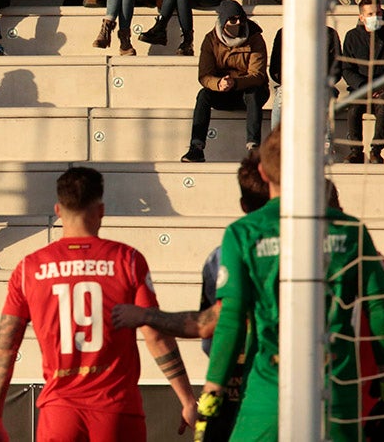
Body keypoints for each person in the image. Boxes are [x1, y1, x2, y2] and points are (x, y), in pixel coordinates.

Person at [196, 125, 384, 442]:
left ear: (262, 170)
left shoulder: (243, 233)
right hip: (335, 395)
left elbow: (230, 320)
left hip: (268, 394)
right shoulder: (351, 230)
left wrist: (212, 392)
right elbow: (380, 311)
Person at [0, 167, 198, 442]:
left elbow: (5, 348)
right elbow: (154, 332)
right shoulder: (128, 260)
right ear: (102, 210)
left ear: (58, 210)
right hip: (117, 410)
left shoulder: (29, 269)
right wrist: (187, 399)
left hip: (59, 413)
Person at [110, 151, 270, 442]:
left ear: (243, 204)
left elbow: (212, 327)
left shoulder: (227, 250)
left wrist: (144, 316)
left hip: (240, 387)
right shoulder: (333, 239)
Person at [180, 0, 268, 163]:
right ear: (223, 21)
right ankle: (196, 148)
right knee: (204, 95)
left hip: (248, 89)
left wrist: (235, 82)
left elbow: (258, 75)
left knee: (253, 94)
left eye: (241, 19)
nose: (239, 23)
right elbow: (204, 75)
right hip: (224, 90)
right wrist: (219, 83)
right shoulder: (211, 40)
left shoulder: (255, 38)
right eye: (232, 20)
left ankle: (254, 149)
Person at [341, 0, 384, 164]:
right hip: (361, 88)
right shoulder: (352, 37)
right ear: (361, 17)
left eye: (378, 12)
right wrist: (364, 85)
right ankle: (356, 151)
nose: (376, 17)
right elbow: (347, 68)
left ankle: (376, 151)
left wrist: (383, 86)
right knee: (354, 106)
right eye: (370, 14)